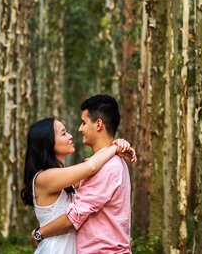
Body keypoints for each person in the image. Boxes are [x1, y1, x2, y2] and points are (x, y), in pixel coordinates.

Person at [30, 95, 134, 254]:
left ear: (98, 124)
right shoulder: (101, 164)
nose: (78, 130)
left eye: (84, 123)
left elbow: (75, 215)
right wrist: (115, 146)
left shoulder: (106, 166)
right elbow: (89, 168)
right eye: (63, 133)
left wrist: (40, 233)